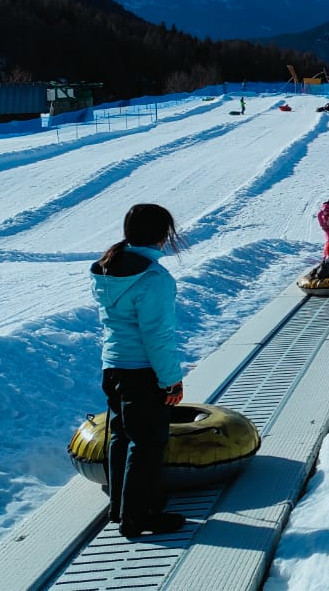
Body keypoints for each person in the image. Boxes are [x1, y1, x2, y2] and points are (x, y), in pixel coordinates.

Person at [91, 203, 187, 539]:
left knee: (121, 437)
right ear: (162, 236)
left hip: (113, 367)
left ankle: (121, 507)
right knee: (148, 443)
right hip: (142, 370)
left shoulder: (108, 269)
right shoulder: (152, 278)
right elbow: (157, 335)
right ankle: (140, 516)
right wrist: (170, 380)